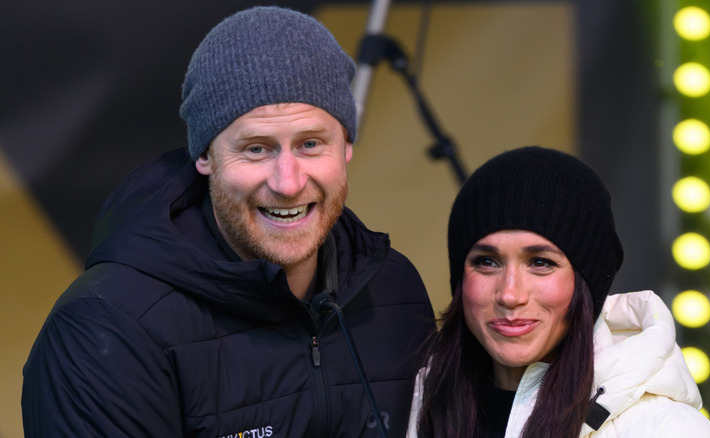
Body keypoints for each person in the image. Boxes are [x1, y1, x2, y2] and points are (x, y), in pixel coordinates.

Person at [22, 6, 435, 437]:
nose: (289, 182)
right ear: (204, 156)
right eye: (256, 149)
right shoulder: (106, 327)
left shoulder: (394, 289)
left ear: (346, 146)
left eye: (311, 144)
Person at [406, 146, 710, 438]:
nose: (510, 294)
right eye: (487, 262)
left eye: (540, 262)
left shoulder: (664, 428)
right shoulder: (422, 407)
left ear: (587, 283)